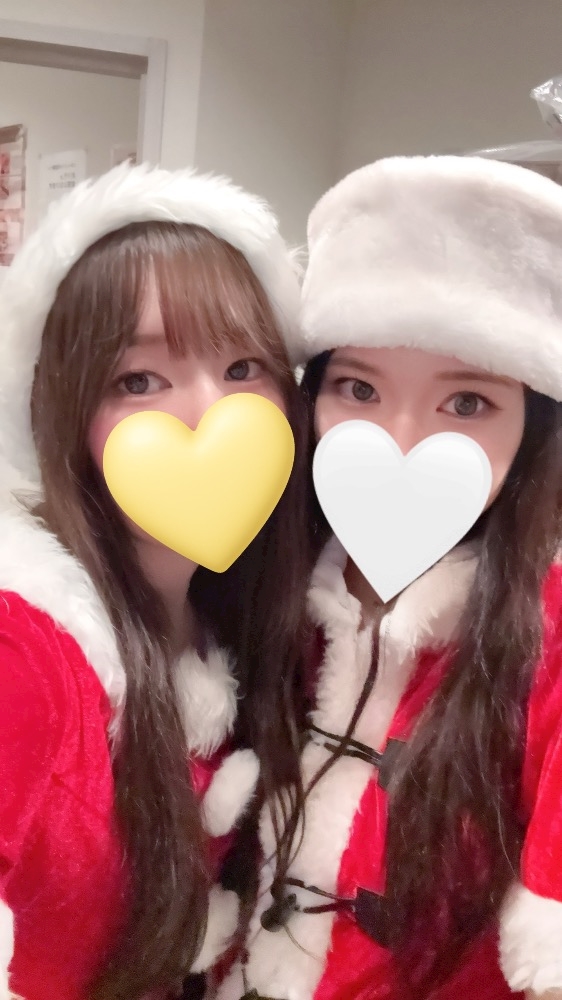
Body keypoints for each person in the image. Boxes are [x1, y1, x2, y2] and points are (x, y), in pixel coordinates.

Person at [219, 156, 562, 1000]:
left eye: (468, 402)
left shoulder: (546, 630)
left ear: (533, 426)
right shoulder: (261, 580)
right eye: (358, 387)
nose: (400, 439)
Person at [0, 162, 310, 1000]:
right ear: (63, 413)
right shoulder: (26, 649)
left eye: (243, 368)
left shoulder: (257, 625)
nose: (209, 412)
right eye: (139, 381)